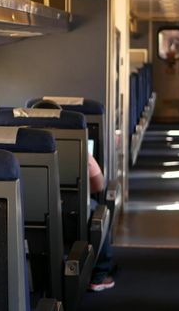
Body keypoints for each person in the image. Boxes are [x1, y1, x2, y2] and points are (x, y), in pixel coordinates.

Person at [30, 99, 115, 291]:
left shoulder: (19, 142)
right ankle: (98, 276)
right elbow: (98, 185)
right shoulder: (79, 144)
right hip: (70, 214)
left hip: (28, 216)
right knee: (100, 213)